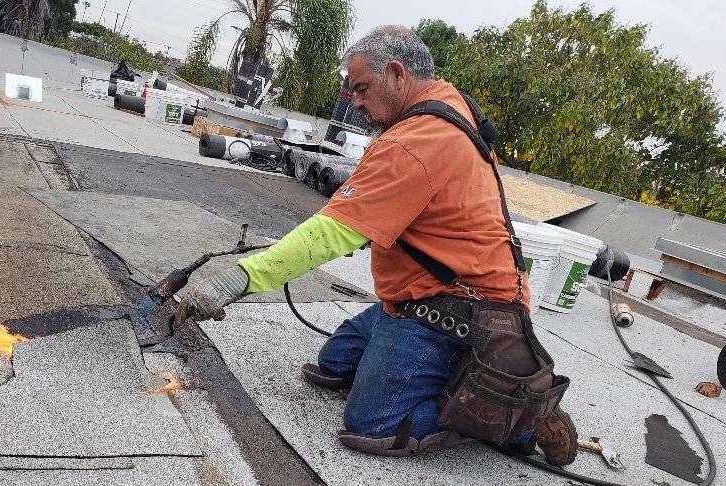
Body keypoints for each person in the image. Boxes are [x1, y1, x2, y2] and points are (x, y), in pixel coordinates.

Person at [177, 26, 577, 465]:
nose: (357, 103)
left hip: (460, 308)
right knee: (332, 366)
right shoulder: (449, 105)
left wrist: (239, 279)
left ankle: (512, 408)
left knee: (374, 423)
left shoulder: (416, 140)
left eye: (362, 89)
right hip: (424, 294)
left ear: (397, 73)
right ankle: (450, 373)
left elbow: (329, 233)